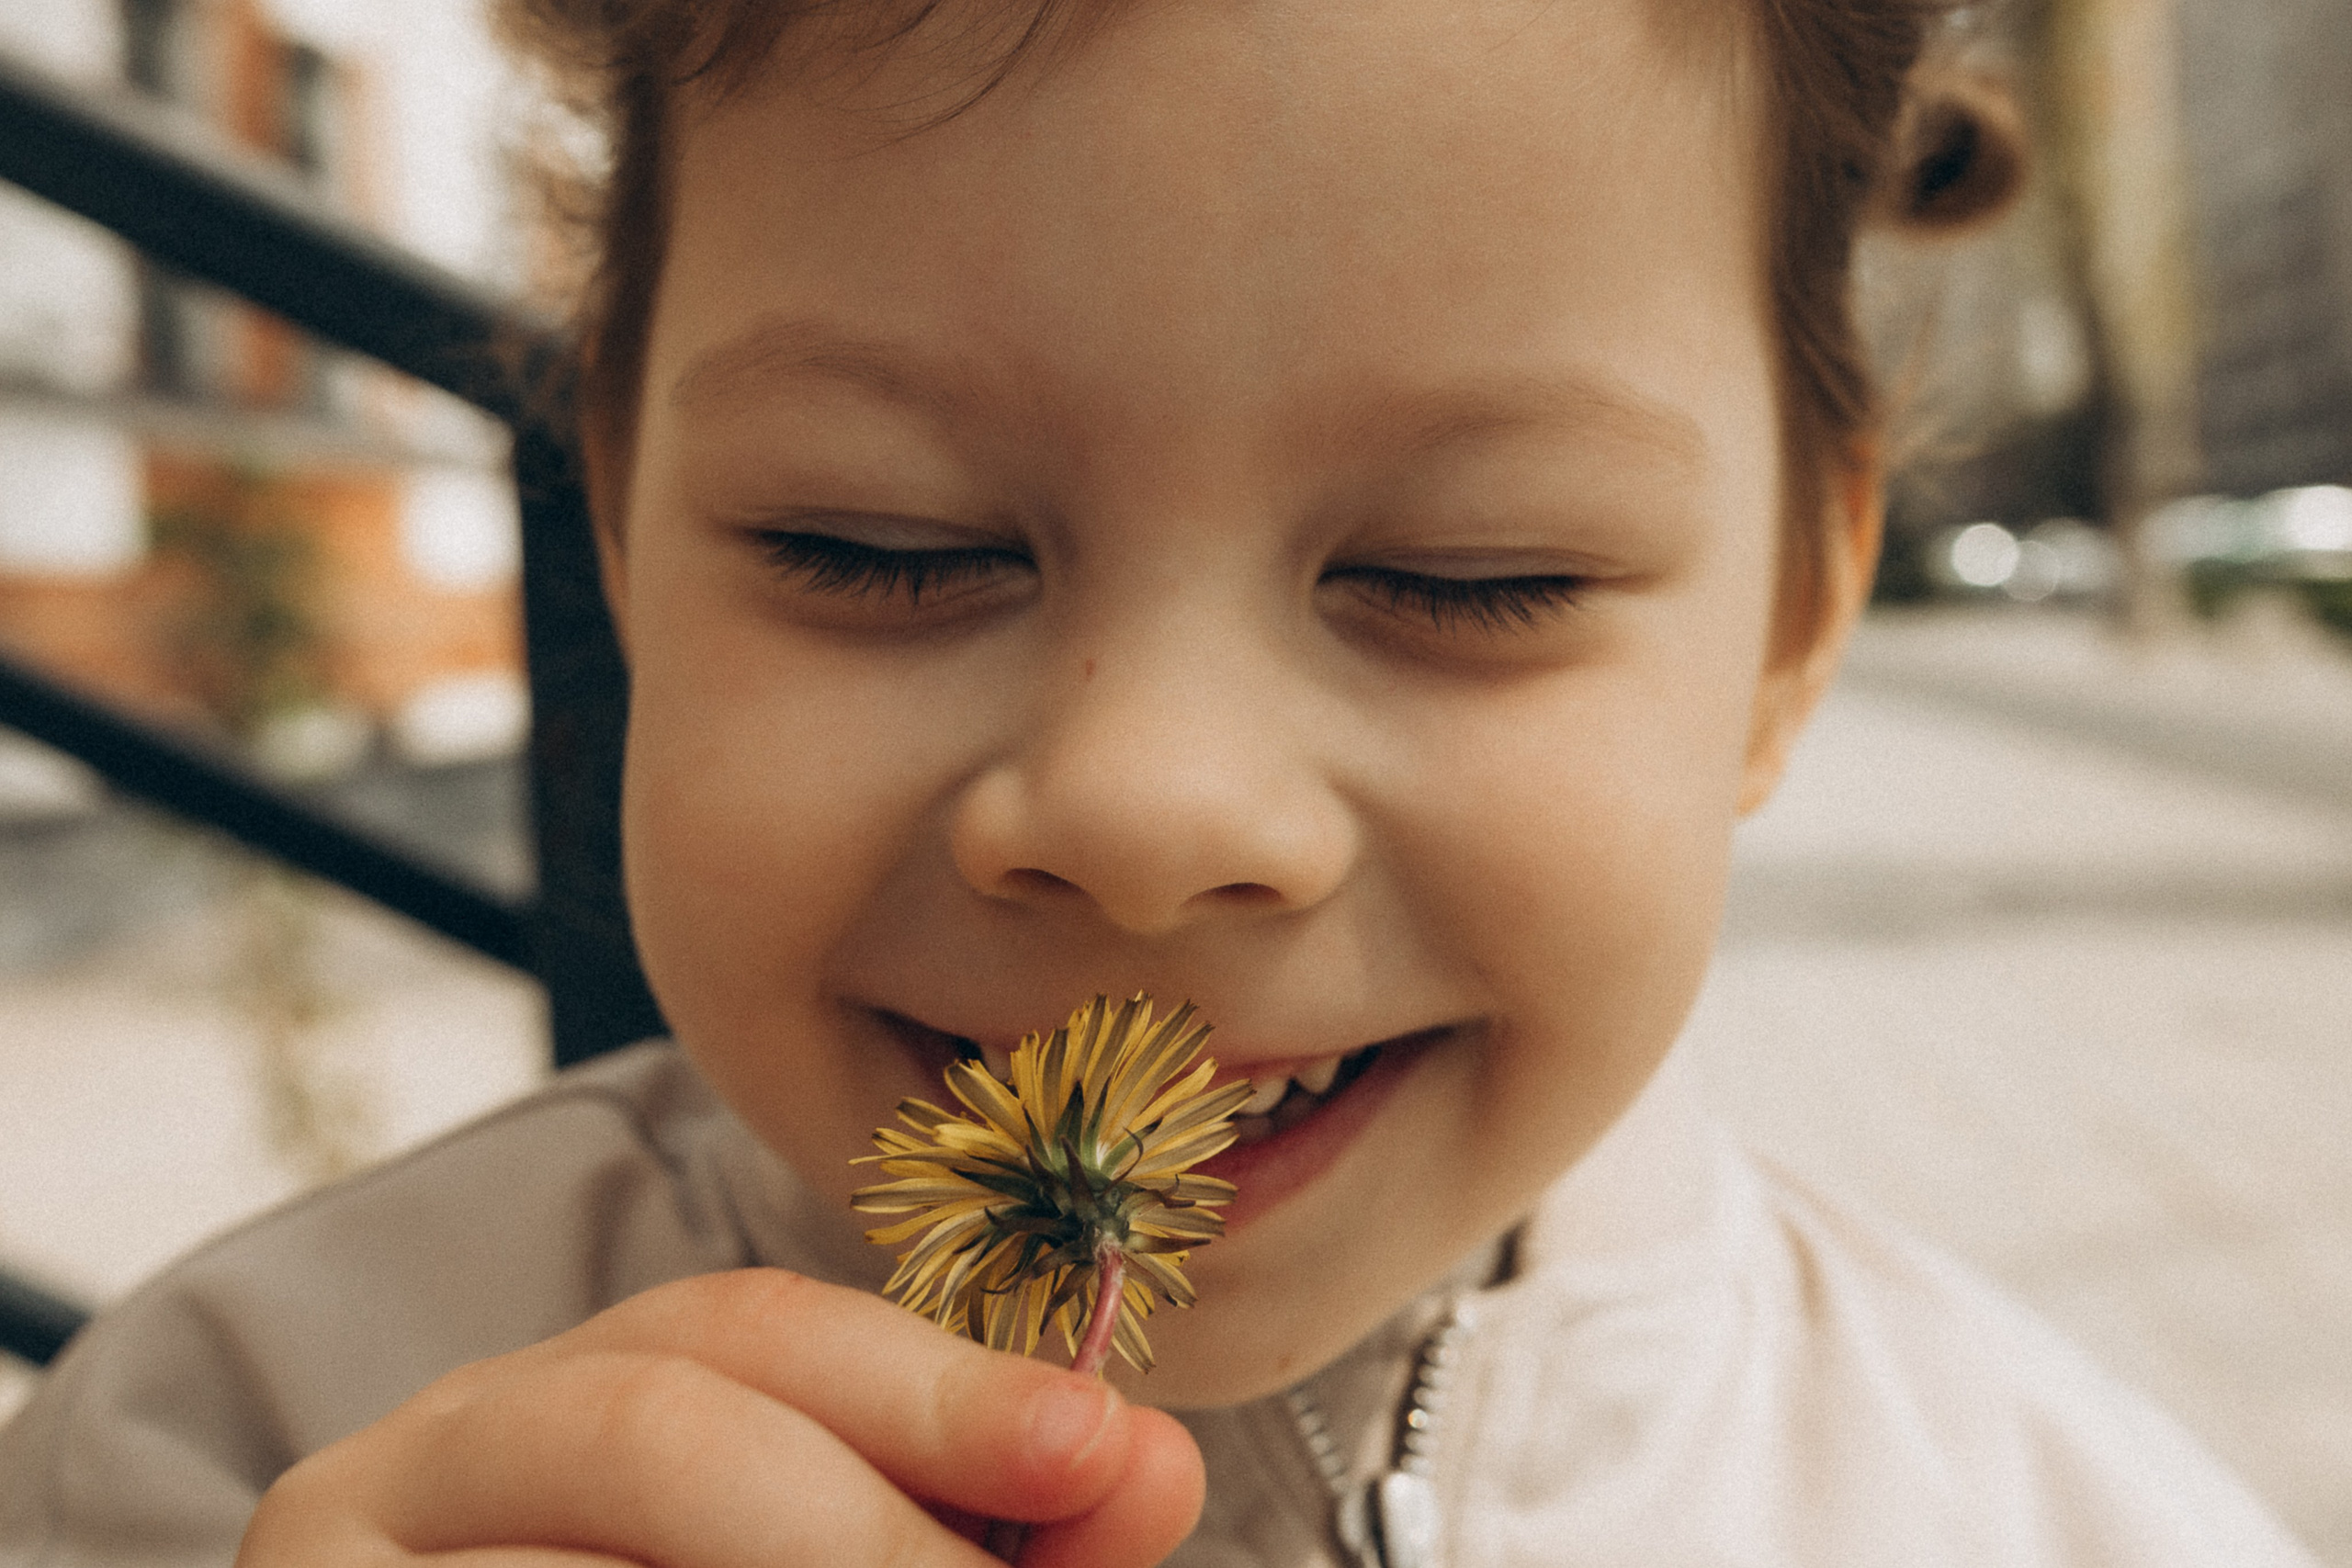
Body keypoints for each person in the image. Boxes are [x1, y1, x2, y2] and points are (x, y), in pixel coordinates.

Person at [0, 1, 2320, 1563]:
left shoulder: (2040, 1514)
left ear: (1793, 616)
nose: (1144, 805)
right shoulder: (228, 1442)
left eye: (1465, 575)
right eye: (873, 544)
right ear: (617, 521)